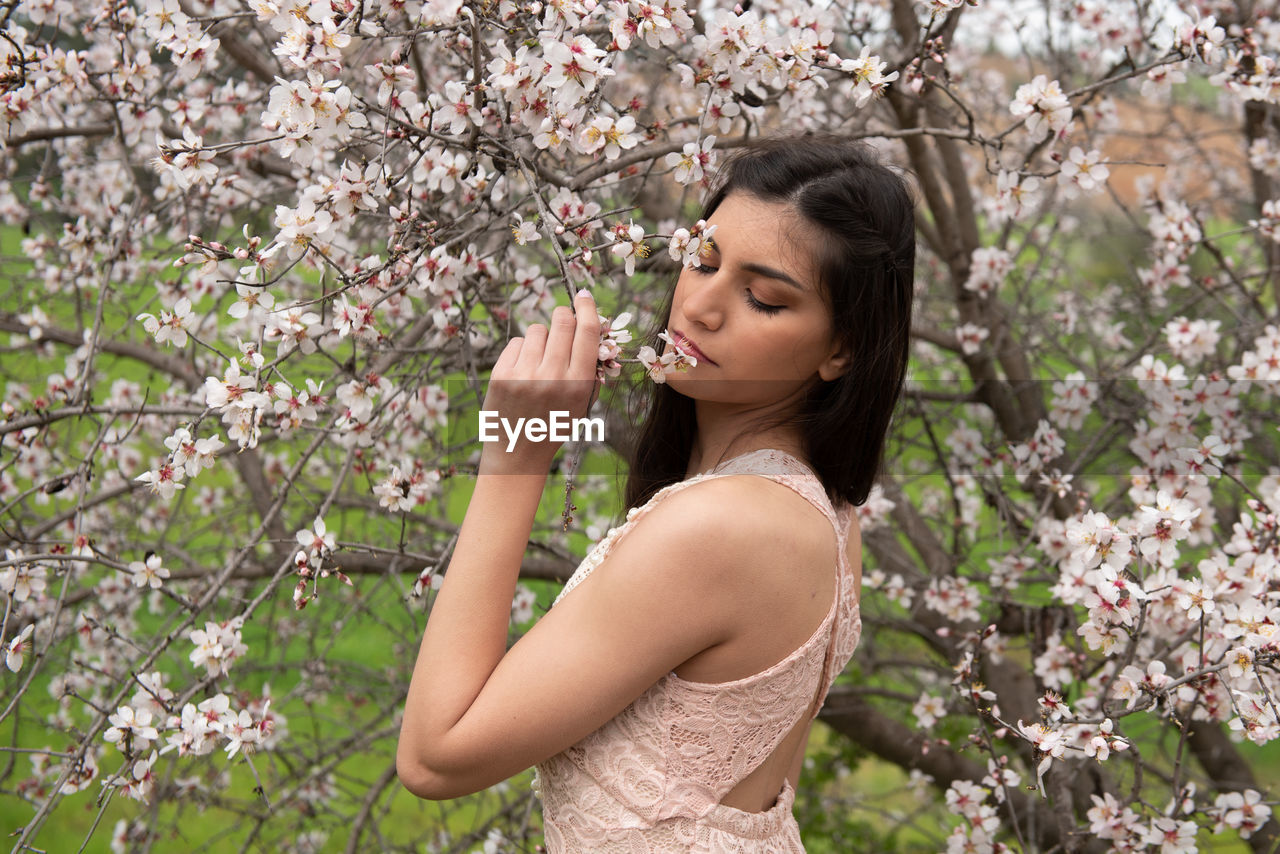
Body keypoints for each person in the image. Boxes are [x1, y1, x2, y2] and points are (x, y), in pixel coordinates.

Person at [396, 132, 916, 851]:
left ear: (842, 350)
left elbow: (433, 756)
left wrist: (515, 456)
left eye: (763, 299)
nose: (699, 306)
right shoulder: (830, 507)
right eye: (702, 260)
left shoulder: (722, 528)